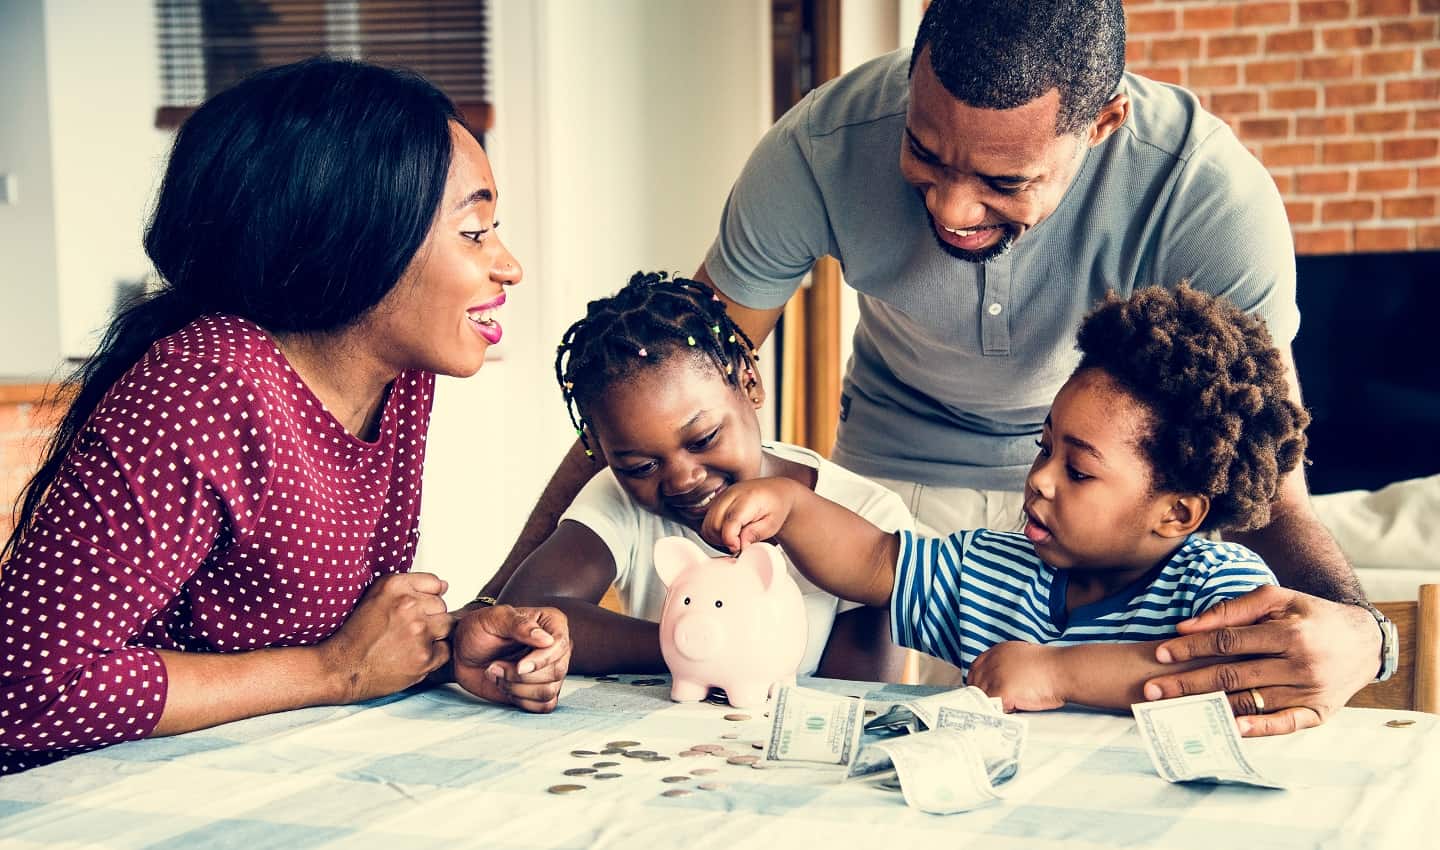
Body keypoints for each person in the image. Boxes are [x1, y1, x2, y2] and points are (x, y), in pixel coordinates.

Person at [482, 0, 1387, 735]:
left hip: (1118, 493)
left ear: (1104, 122)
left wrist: (1363, 633)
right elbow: (667, 375)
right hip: (893, 484)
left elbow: (1273, 493)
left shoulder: (1206, 196)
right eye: (925, 152)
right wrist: (490, 607)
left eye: (1004, 181)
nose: (953, 208)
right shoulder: (817, 150)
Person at [0, 59, 571, 775]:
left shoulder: (398, 380)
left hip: (247, 772)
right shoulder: (206, 384)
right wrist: (335, 672)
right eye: (474, 231)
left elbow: (330, 637)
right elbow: (23, 689)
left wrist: (449, 645)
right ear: (358, 236)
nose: (508, 265)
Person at [703, 285, 1305, 725]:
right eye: (1044, 450)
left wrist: (1056, 672)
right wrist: (791, 507)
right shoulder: (991, 569)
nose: (1040, 480)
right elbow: (875, 562)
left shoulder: (1222, 588)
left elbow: (1231, 678)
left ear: (1176, 514)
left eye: (1078, 471)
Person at [455, 272, 912, 682]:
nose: (682, 480)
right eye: (641, 467)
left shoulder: (869, 515)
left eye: (704, 439)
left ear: (748, 383)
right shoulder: (618, 497)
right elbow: (528, 613)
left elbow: (856, 692)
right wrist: (688, 644)